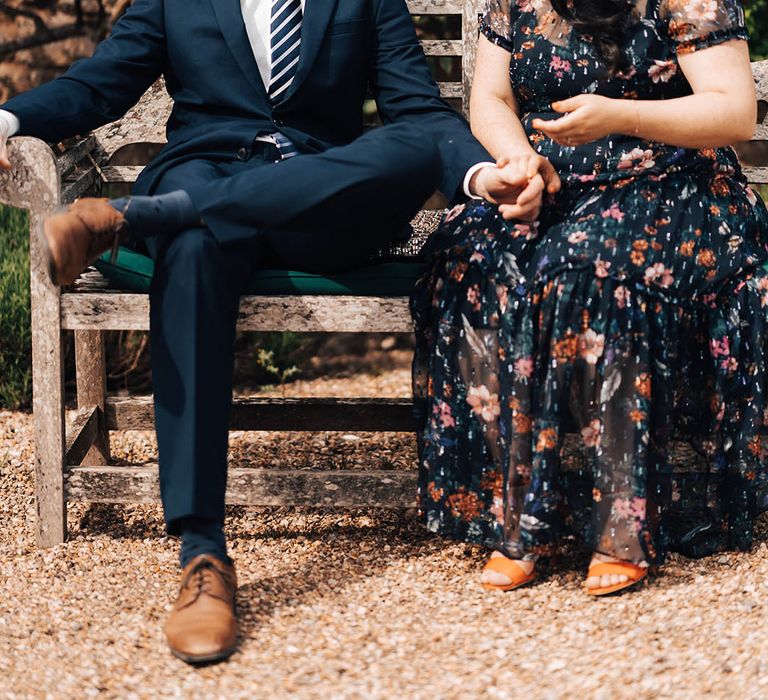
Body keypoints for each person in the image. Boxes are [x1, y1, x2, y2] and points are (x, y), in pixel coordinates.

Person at [0, 0, 533, 664]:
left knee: (415, 142)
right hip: (207, 170)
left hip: (322, 202)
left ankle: (139, 216)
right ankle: (202, 558)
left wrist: (482, 176)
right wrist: (7, 119)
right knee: (191, 250)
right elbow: (102, 81)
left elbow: (418, 112)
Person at [412, 0, 768, 597]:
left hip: (670, 184)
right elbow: (492, 99)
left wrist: (618, 116)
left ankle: (620, 528)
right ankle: (521, 517)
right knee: (468, 261)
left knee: (587, 269)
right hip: (553, 186)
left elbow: (732, 113)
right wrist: (518, 162)